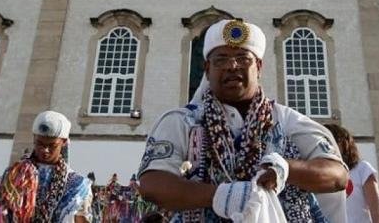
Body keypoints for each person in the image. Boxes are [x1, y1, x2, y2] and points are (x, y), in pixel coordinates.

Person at [137, 19, 348, 222]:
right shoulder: (181, 122)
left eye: (243, 58)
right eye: (221, 59)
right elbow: (152, 184)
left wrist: (286, 170)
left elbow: (337, 176)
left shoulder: (288, 122)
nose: (232, 66)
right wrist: (219, 196)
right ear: (207, 69)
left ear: (259, 66)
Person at [0, 110, 93, 222]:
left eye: (52, 145)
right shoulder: (14, 175)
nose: (45, 150)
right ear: (34, 138)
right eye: (40, 143)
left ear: (64, 142)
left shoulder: (78, 185)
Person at [325, 124, 379, 223]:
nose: (328, 145)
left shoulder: (362, 168)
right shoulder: (322, 173)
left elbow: (375, 208)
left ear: (344, 144)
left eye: (332, 140)